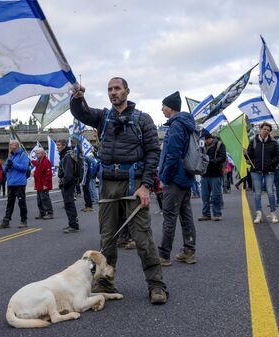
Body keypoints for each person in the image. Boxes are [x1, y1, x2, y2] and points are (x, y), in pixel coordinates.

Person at [71, 77, 168, 305]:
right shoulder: (102, 117)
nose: (113, 93)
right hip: (108, 184)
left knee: (143, 238)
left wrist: (146, 185)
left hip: (134, 183)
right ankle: (105, 283)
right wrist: (77, 99)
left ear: (127, 91)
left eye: (117, 89)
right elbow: (81, 113)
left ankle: (156, 285)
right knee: (107, 238)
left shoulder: (143, 119)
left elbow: (153, 153)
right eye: (110, 90)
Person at [157, 91, 197, 267]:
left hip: (174, 178)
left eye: (164, 106)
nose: (162, 109)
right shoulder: (186, 124)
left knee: (170, 216)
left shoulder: (176, 126)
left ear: (170, 108)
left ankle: (164, 255)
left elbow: (172, 154)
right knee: (186, 215)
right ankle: (189, 252)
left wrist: (164, 176)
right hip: (186, 176)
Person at [246, 122, 279, 224]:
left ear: (270, 132)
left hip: (269, 171)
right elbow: (249, 156)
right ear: (260, 129)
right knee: (257, 193)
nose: (266, 131)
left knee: (270, 192)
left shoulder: (274, 143)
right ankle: (258, 214)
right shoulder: (253, 141)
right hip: (255, 171)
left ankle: (273, 213)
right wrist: (246, 154)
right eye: (264, 129)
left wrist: (271, 163)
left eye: (268, 130)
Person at [0, 140, 29, 229]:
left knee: (21, 203)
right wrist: (4, 167)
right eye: (9, 144)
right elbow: (4, 169)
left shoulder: (23, 155)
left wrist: (13, 164)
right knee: (9, 203)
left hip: (19, 183)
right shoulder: (10, 156)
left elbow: (25, 168)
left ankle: (24, 220)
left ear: (16, 145)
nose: (10, 145)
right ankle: (6, 221)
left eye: (11, 144)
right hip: (10, 183)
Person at [199, 129, 226, 221]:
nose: (205, 141)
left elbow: (223, 157)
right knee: (204, 195)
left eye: (207, 139)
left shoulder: (219, 144)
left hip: (216, 174)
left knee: (216, 195)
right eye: (204, 139)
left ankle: (217, 214)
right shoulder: (201, 146)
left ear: (210, 138)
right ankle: (206, 214)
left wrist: (211, 161)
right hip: (204, 174)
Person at [56, 139, 80, 233]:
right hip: (69, 183)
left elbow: (68, 173)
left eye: (59, 145)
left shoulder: (67, 156)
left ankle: (73, 225)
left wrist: (64, 184)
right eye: (57, 145)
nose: (57, 146)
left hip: (68, 184)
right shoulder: (66, 155)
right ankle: (72, 222)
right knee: (69, 204)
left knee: (69, 204)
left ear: (64, 145)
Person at [31, 147, 54, 220]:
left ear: (42, 153)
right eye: (36, 153)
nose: (36, 155)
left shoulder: (46, 161)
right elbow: (39, 166)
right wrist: (33, 162)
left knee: (45, 199)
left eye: (37, 153)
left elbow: (48, 174)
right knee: (39, 200)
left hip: (43, 184)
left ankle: (49, 213)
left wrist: (45, 184)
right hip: (39, 184)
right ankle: (42, 212)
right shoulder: (40, 161)